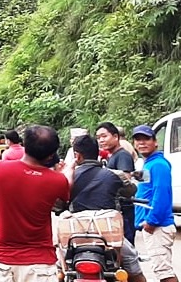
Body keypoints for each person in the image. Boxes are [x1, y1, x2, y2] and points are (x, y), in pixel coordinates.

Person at [0, 125, 71, 282]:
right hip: (40, 262)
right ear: (51, 155)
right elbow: (63, 200)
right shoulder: (58, 180)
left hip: (5, 259)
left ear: (24, 145)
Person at [65, 134, 146, 282]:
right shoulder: (115, 175)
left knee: (60, 270)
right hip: (110, 238)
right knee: (134, 269)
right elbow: (130, 191)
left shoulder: (67, 178)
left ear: (76, 155)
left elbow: (57, 205)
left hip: (75, 237)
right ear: (98, 153)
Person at [132, 124, 176, 282]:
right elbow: (145, 191)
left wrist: (151, 221)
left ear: (156, 142)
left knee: (163, 271)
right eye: (138, 140)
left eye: (146, 139)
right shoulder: (149, 163)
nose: (142, 143)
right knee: (161, 269)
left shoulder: (158, 165)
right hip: (152, 224)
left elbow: (161, 194)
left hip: (158, 226)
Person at [95, 121, 136, 245]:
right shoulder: (111, 156)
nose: (101, 140)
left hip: (124, 208)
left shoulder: (122, 155)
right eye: (98, 138)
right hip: (115, 208)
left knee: (126, 247)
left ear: (116, 137)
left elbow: (126, 181)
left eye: (104, 136)